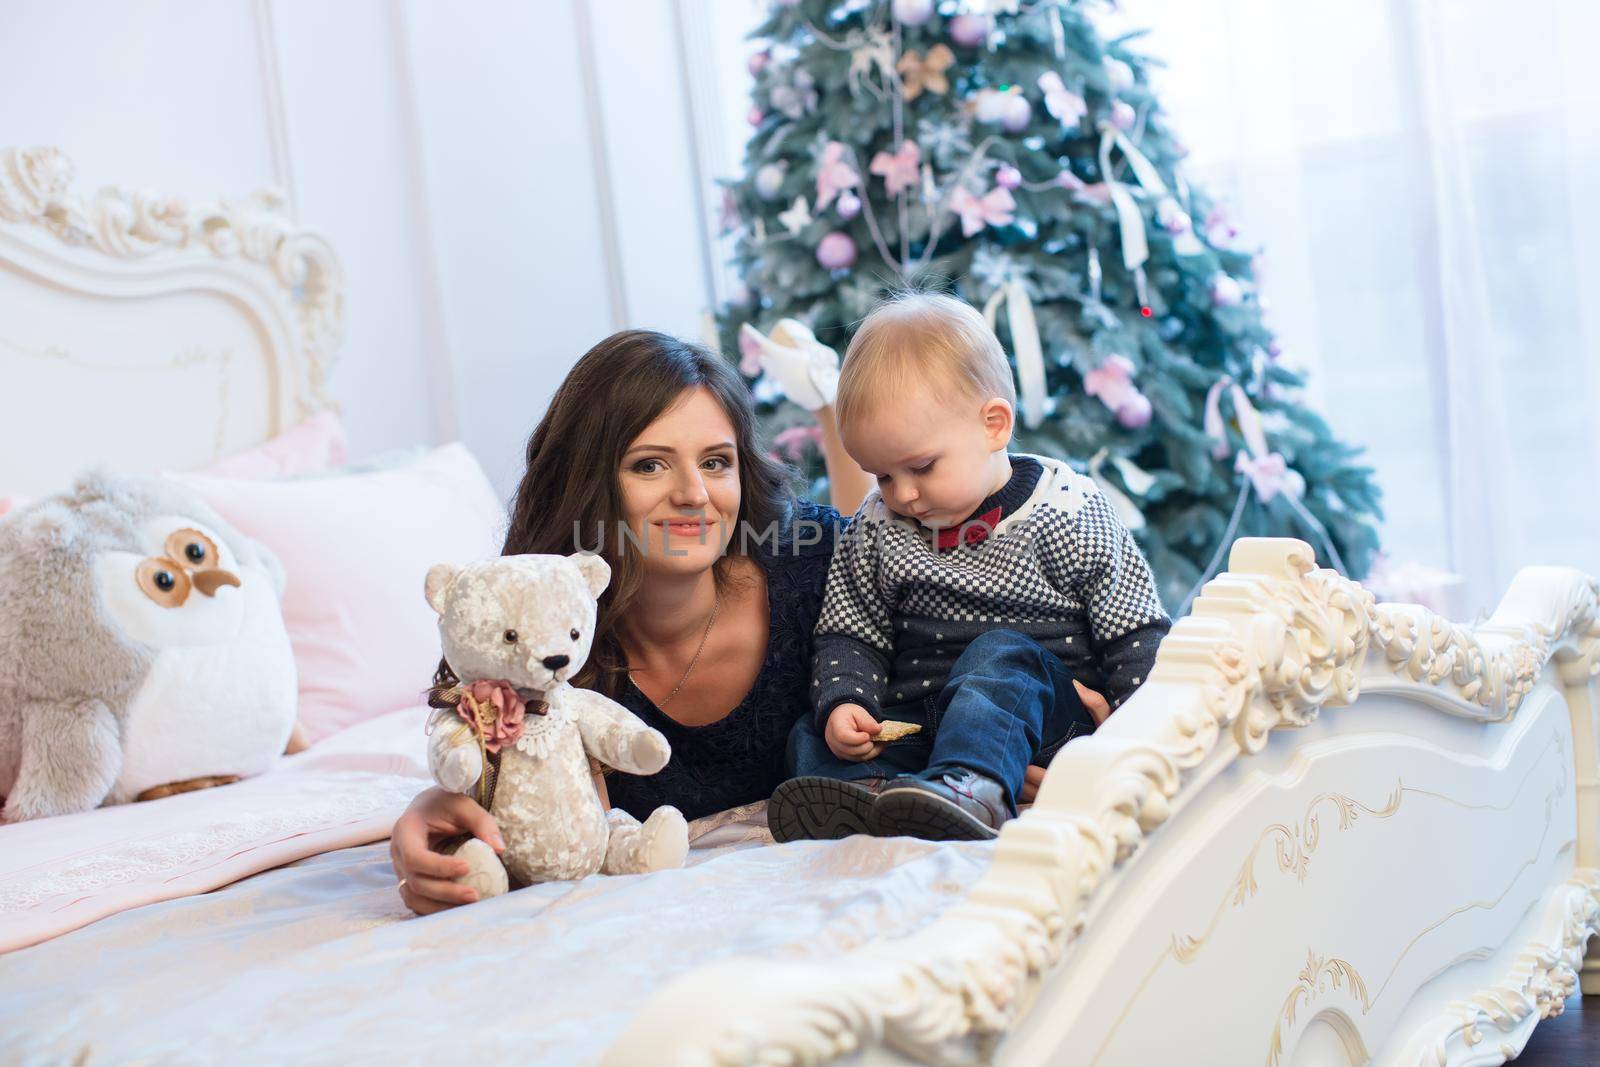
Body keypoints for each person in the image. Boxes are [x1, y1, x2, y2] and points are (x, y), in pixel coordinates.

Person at [767, 293, 1170, 844]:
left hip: (1039, 723)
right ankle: (878, 795)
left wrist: (1131, 748)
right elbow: (849, 632)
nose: (902, 494)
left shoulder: (1069, 510)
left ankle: (971, 786)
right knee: (809, 736)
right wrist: (847, 705)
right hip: (921, 727)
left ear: (994, 425)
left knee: (999, 653)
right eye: (881, 476)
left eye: (921, 467)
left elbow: (1135, 635)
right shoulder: (877, 525)